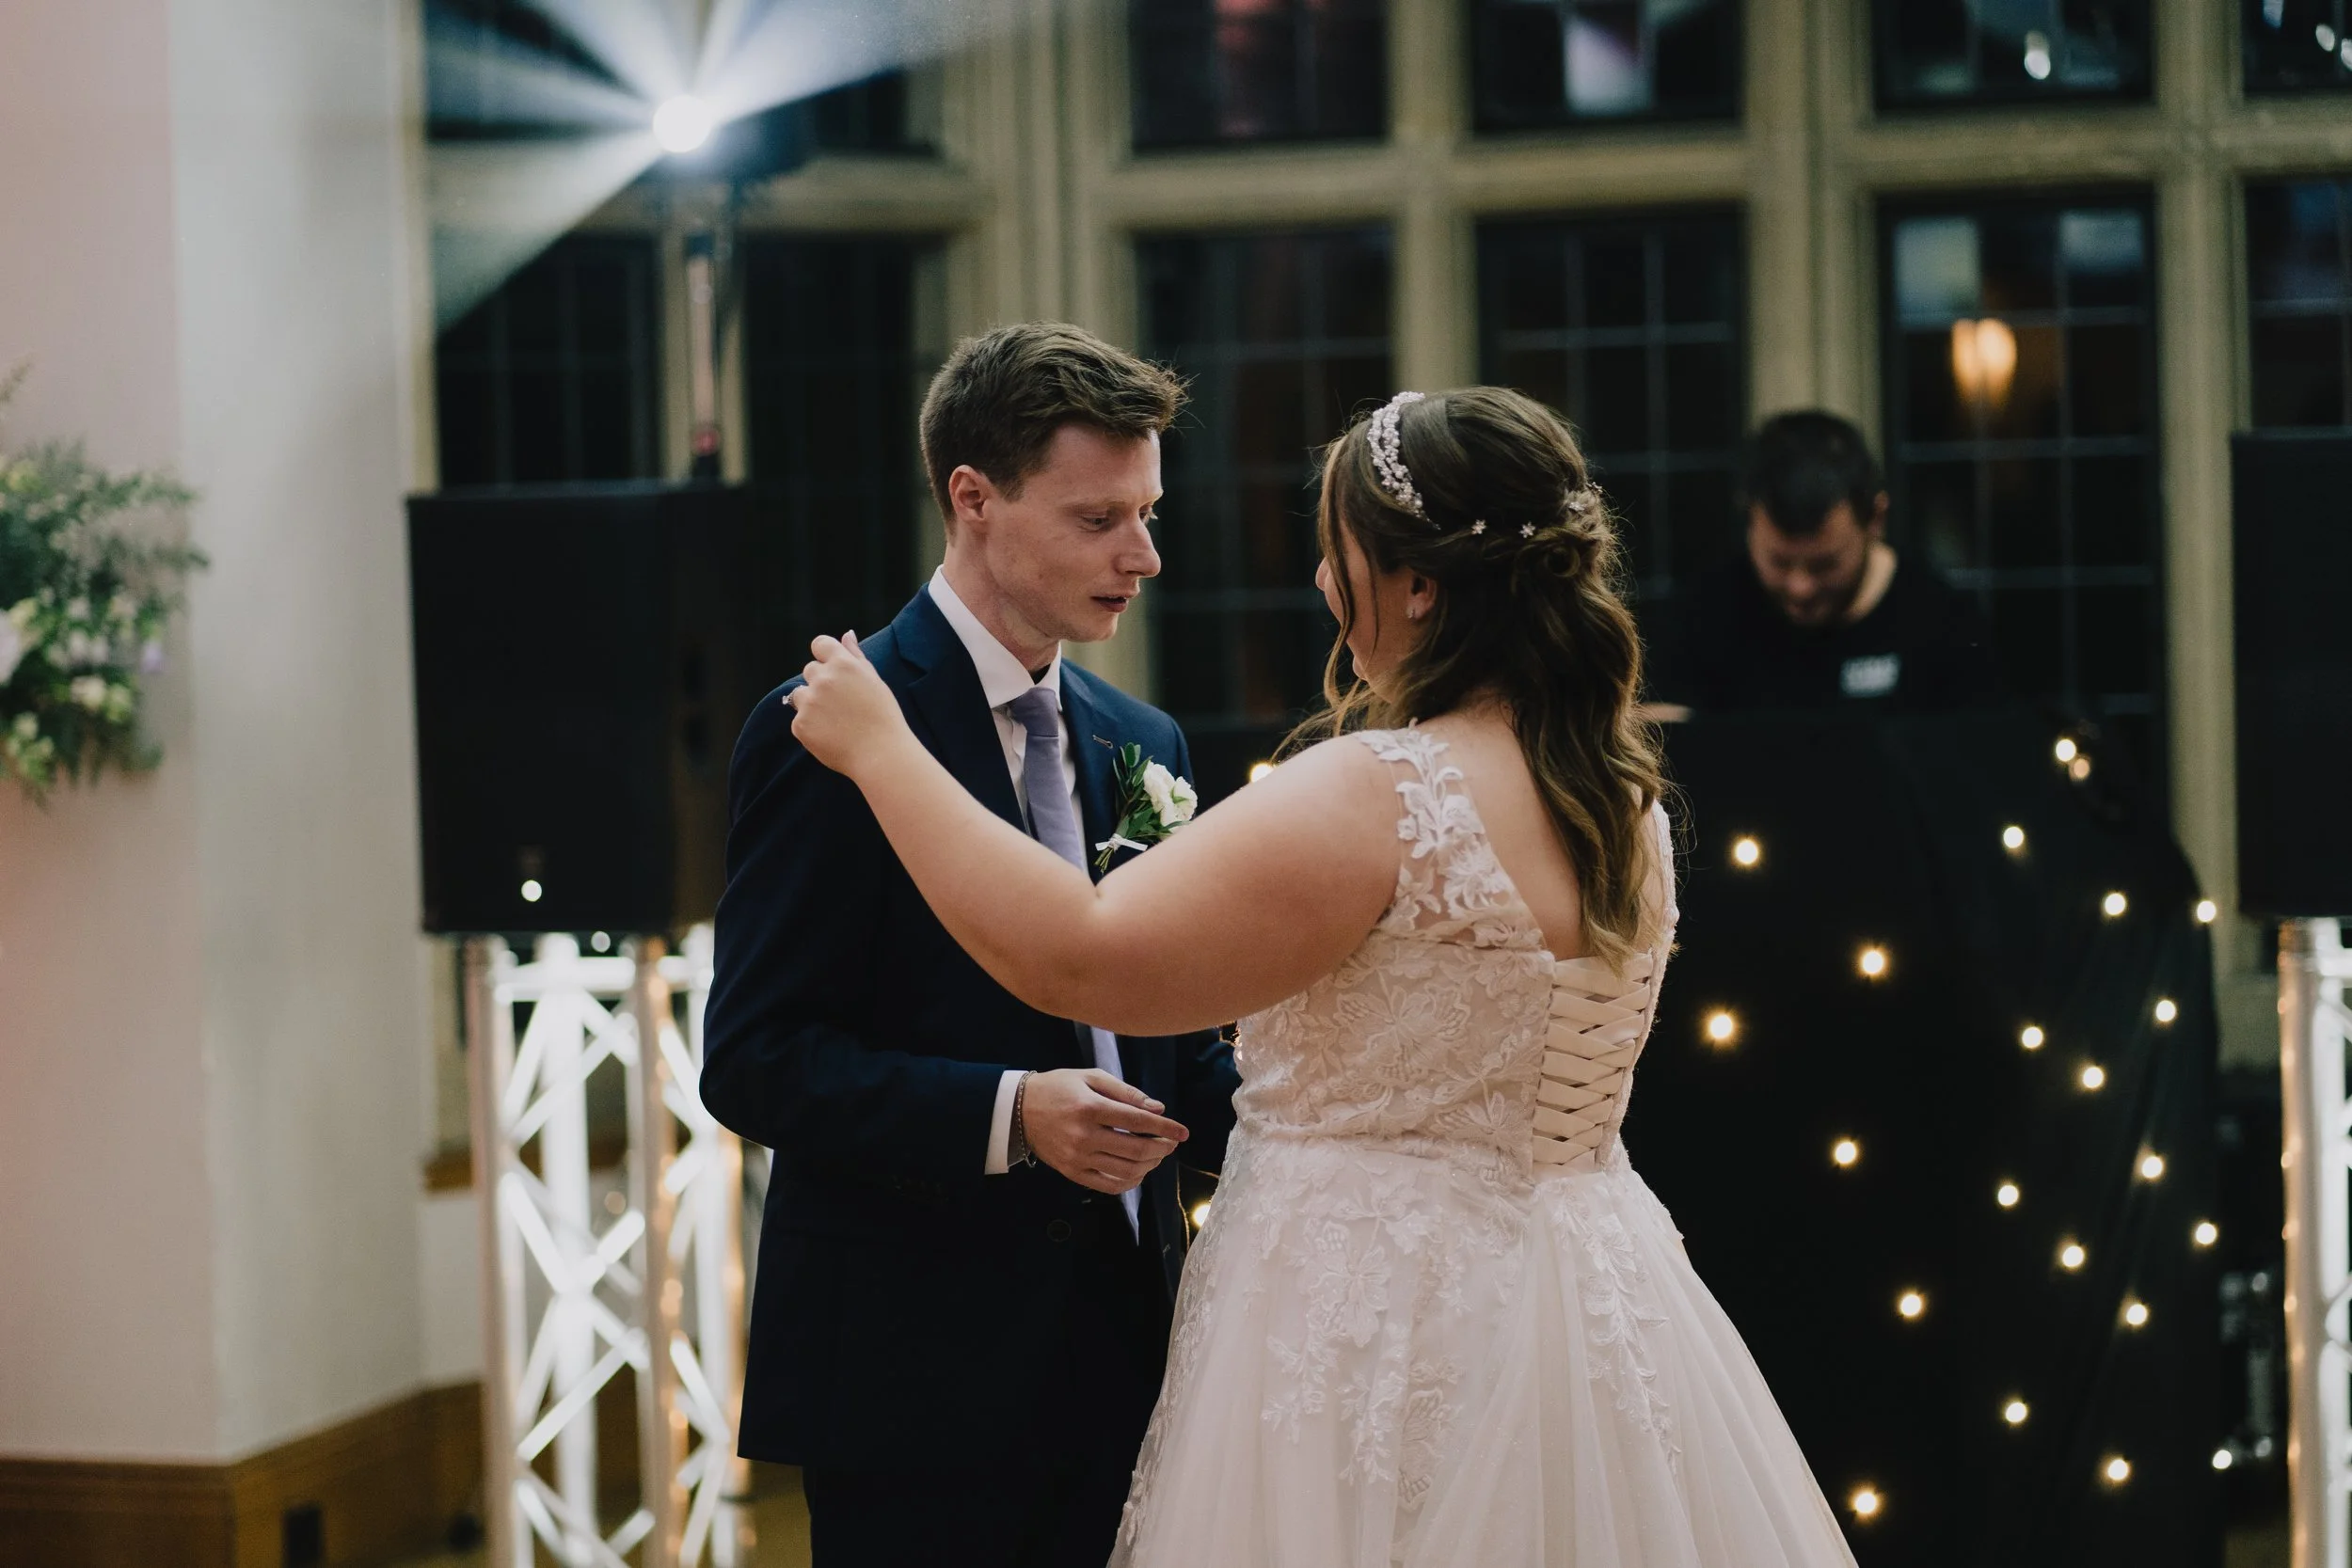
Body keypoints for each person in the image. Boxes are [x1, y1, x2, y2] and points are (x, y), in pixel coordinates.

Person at [787, 386, 1859, 1567]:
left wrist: (883, 754)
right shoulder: (1626, 803)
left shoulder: (1380, 793)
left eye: (1335, 551)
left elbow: (1078, 956)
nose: (1316, 582)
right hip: (1592, 1305)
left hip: (1371, 1334)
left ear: (1416, 584)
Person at [699, 323, 1241, 1568]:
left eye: (1150, 511)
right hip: (914, 1372)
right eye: (1101, 516)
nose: (1144, 554)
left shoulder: (1140, 736)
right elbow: (756, 1057)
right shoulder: (829, 730)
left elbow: (1169, 1046)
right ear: (975, 499)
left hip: (1132, 1355)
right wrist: (1011, 1111)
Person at [1649, 409, 1998, 718]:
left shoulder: (1944, 626)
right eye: (1779, 562)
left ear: (1875, 520)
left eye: (1825, 565)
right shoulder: (1700, 617)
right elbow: (1655, 760)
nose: (1800, 587)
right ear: (1749, 518)